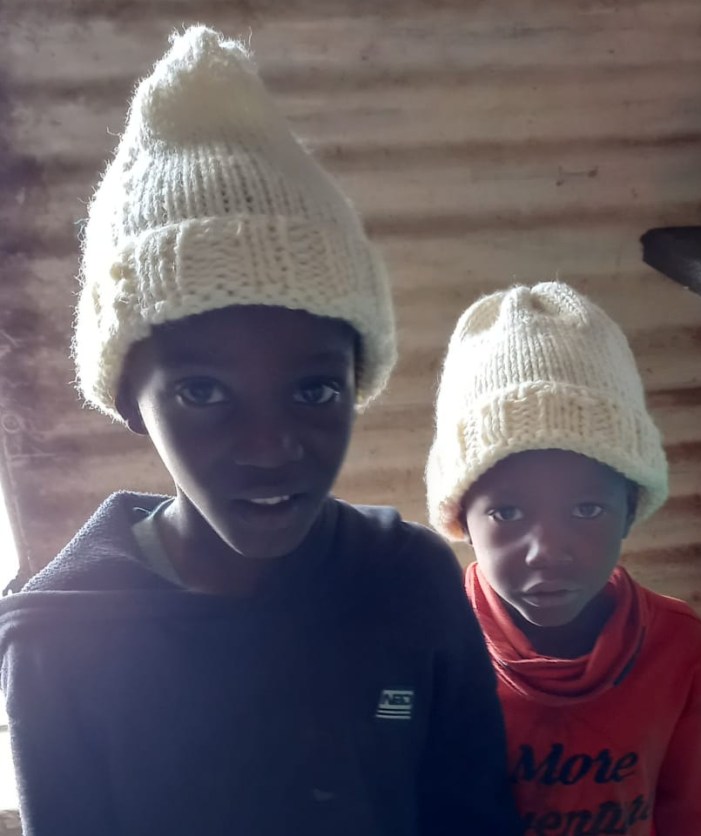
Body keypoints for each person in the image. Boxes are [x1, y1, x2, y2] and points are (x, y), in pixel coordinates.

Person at [0, 26, 521, 836]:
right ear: (129, 399)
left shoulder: (408, 584)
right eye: (203, 392)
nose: (269, 446)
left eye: (314, 389)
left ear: (357, 382)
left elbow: (475, 815)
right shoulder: (62, 643)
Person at [426, 282, 701, 835]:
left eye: (587, 509)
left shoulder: (677, 645)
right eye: (507, 513)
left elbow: (693, 812)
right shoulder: (431, 647)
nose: (548, 551)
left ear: (631, 509)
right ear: (460, 519)